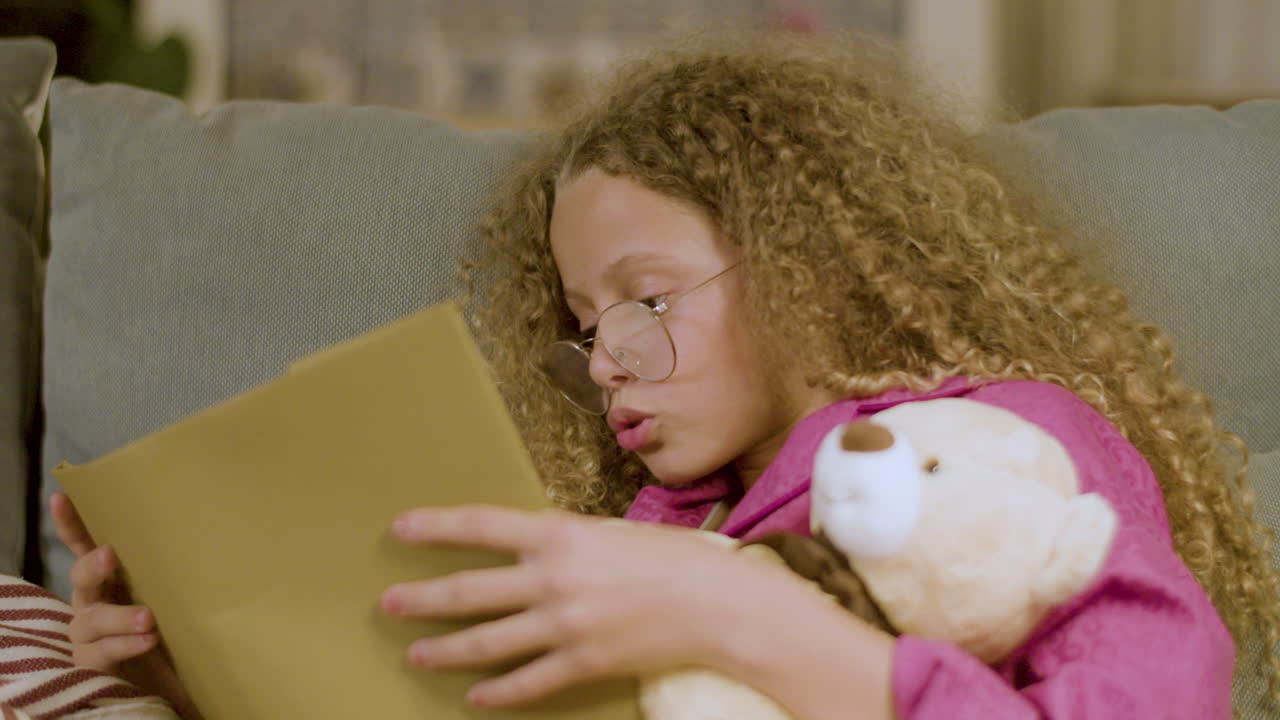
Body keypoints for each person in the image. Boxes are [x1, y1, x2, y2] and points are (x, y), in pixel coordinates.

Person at [52, 32, 1279, 719]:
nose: (611, 365)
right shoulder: (663, 518)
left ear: (804, 262)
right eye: (585, 329)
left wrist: (741, 621)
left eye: (645, 301)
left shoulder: (996, 449)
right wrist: (190, 659)